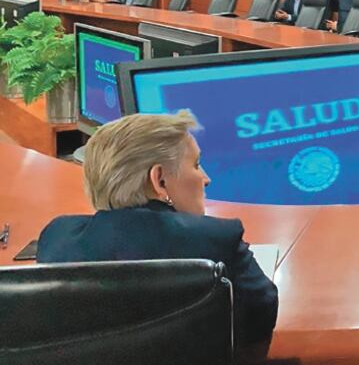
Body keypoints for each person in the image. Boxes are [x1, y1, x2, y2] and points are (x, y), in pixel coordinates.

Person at [37, 112, 279, 359]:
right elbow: (258, 325)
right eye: (196, 164)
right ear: (160, 180)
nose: (206, 179)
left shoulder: (57, 239)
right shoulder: (218, 239)